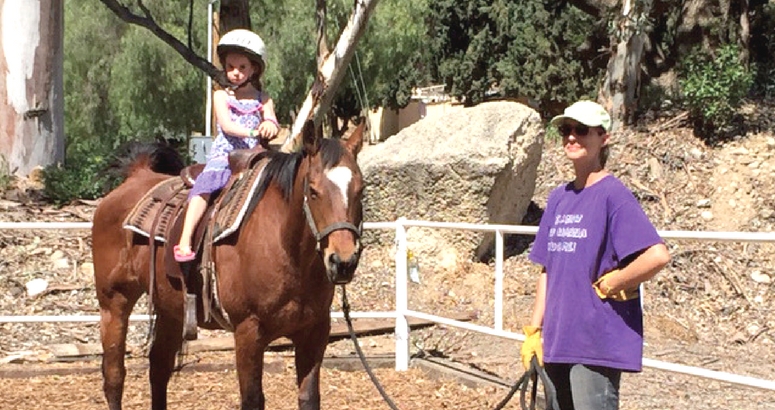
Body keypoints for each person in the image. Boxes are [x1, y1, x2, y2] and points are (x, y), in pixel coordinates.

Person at [520, 100, 671, 409]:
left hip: (594, 342)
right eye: (566, 130)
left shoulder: (613, 195)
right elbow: (547, 269)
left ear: (604, 138)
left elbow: (657, 255)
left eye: (581, 130)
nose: (571, 137)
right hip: (558, 340)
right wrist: (534, 330)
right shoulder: (559, 197)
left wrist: (614, 282)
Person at [174, 28, 280, 262]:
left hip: (255, 157)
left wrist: (271, 127)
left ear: (254, 69)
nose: (236, 73)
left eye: (242, 67)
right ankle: (185, 239)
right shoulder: (222, 96)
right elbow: (228, 126)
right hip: (226, 156)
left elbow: (272, 121)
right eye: (231, 67)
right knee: (204, 187)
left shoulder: (264, 98)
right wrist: (255, 130)